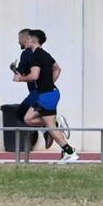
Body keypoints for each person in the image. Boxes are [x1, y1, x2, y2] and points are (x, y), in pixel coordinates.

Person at [12, 29, 79, 163]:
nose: (27, 41)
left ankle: (70, 152)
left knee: (49, 126)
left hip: (47, 95)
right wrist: (48, 83)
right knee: (28, 118)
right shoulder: (45, 54)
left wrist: (20, 79)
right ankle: (57, 126)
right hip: (47, 93)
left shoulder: (36, 56)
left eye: (29, 39)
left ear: (33, 40)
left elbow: (34, 75)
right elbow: (57, 69)